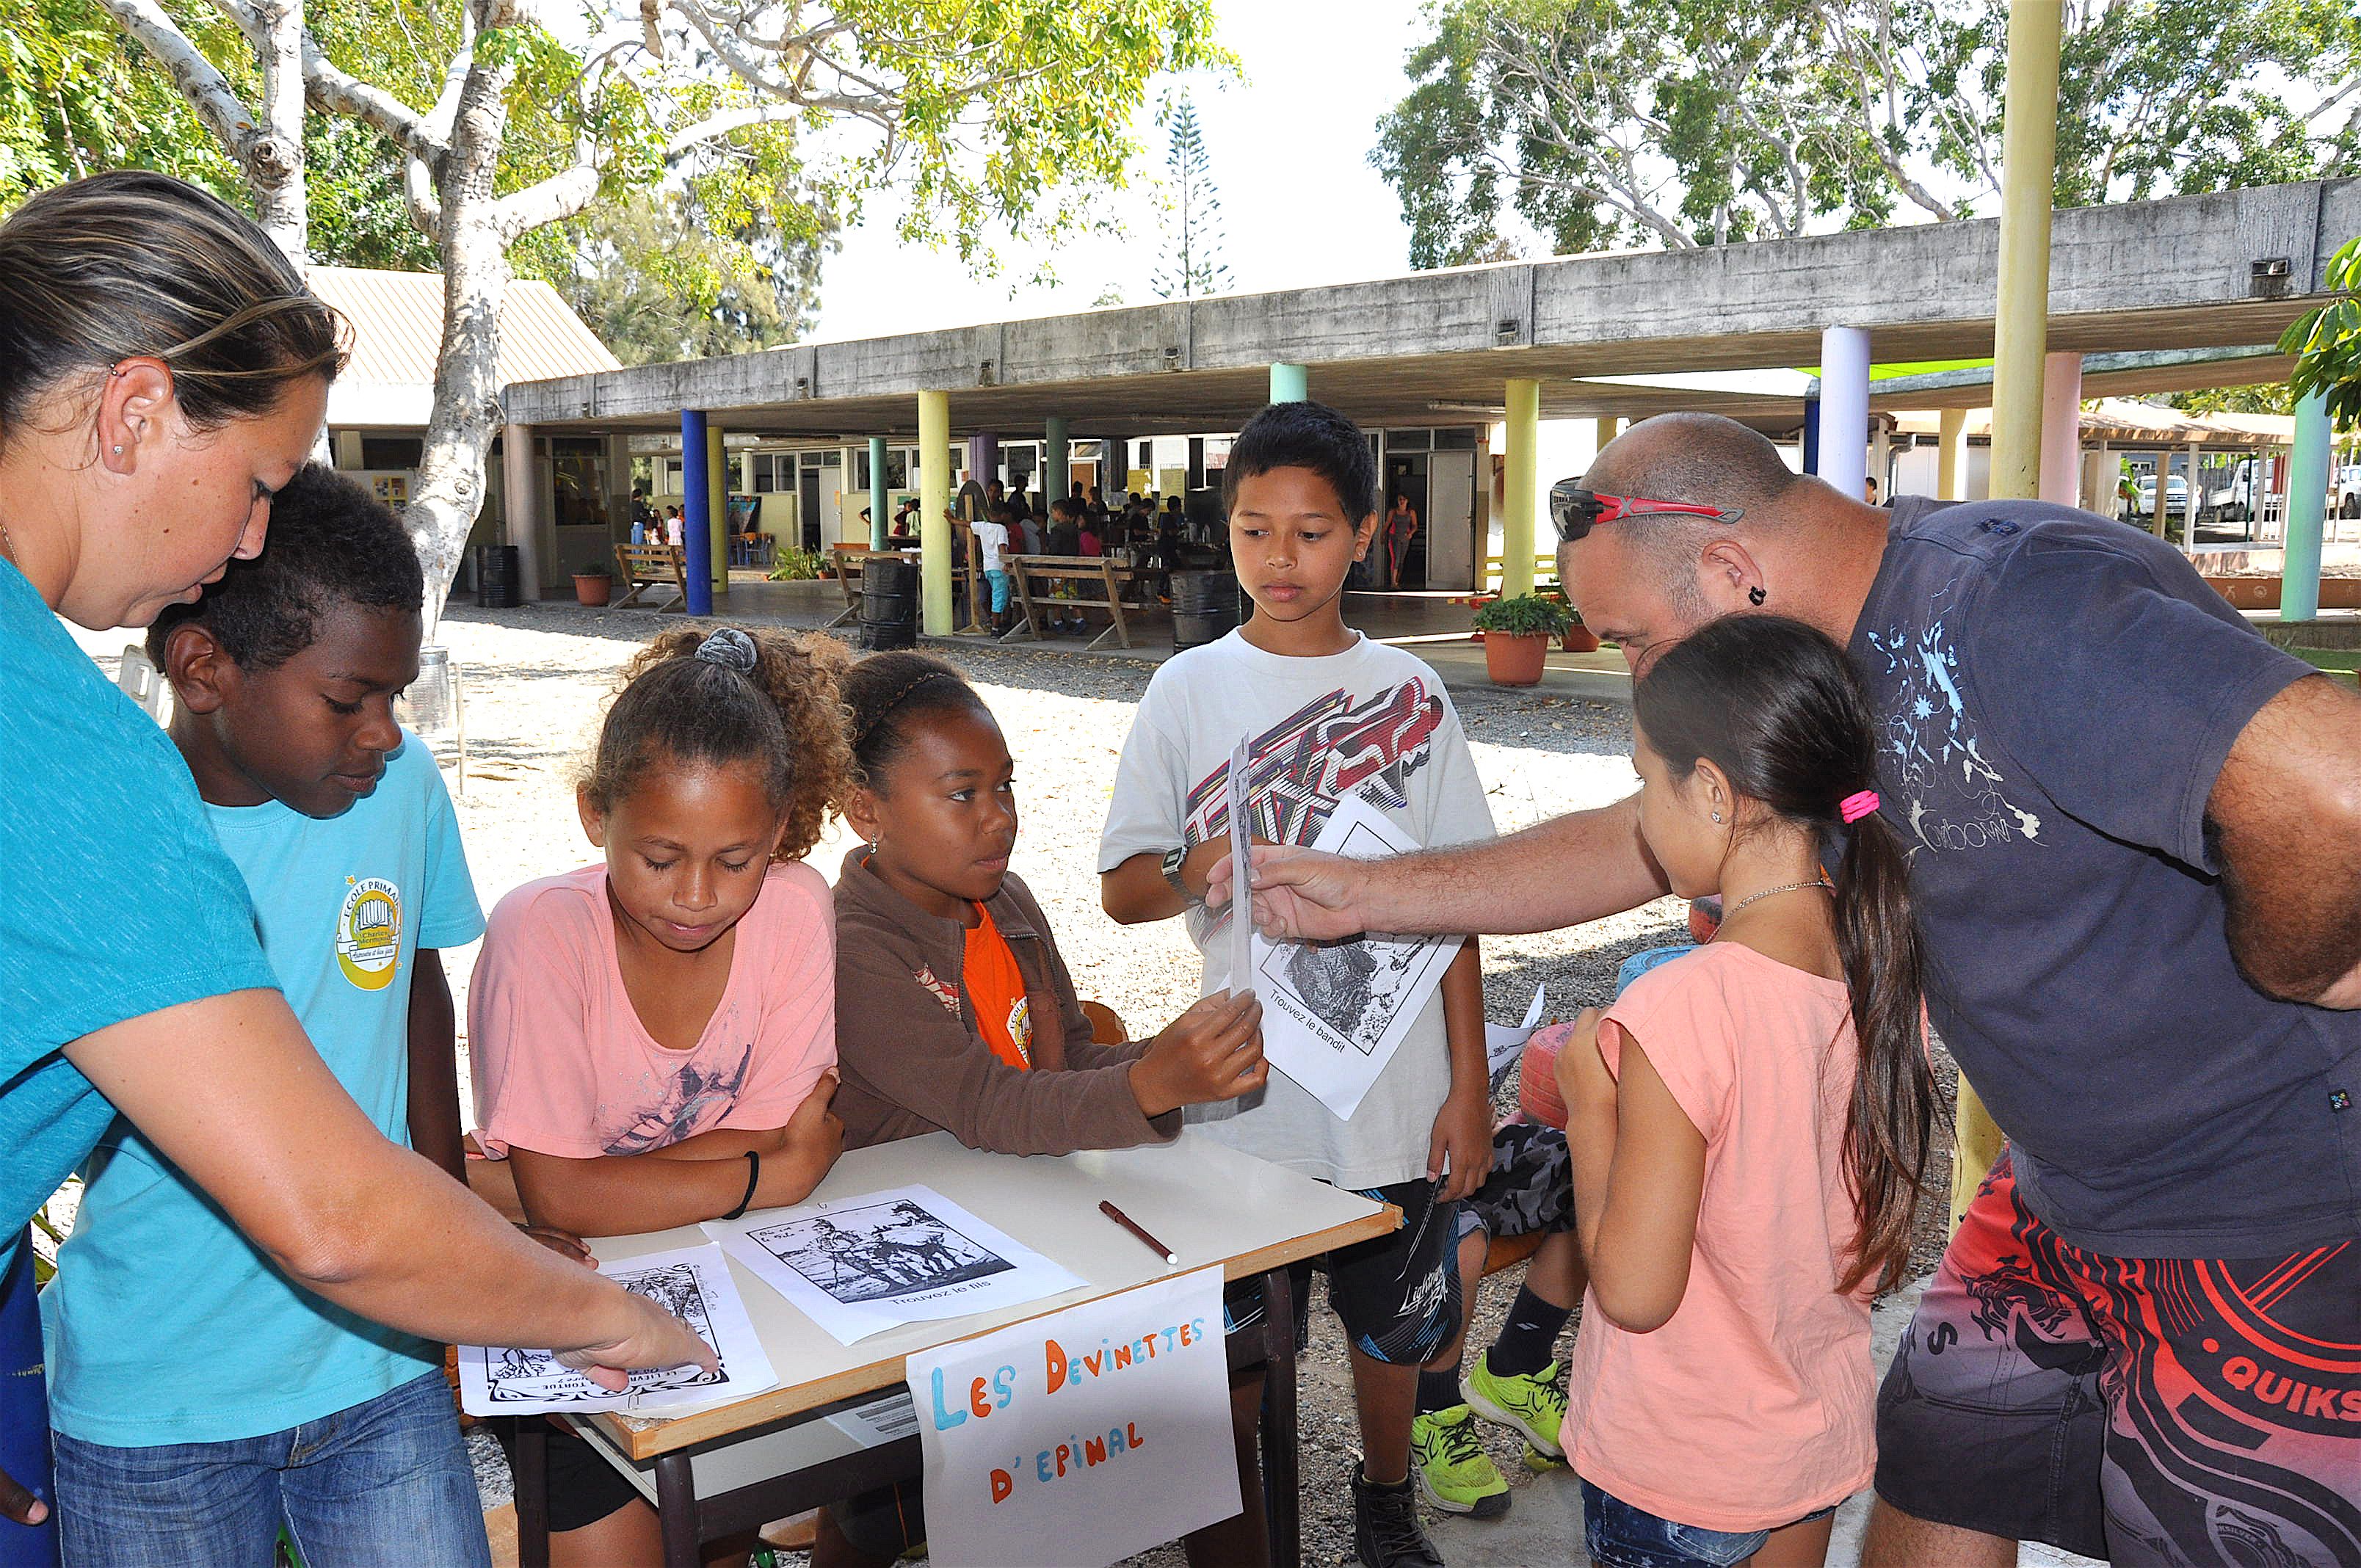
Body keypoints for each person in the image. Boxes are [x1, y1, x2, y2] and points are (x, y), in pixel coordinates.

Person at [1229, 410, 2361, 1567]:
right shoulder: (1818, 685)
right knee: (1936, 1476)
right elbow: (1648, 833)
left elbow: (2336, 785)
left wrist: (2300, 965)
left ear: (1733, 572)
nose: (1639, 679)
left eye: (1635, 642)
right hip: (2060, 1191)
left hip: (2263, 1204)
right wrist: (1369, 894)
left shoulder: (2013, 603)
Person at [0, 170, 707, 1546]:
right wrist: (614, 1321)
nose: (246, 542)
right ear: (133, 412)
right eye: (257, 484)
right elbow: (332, 1215)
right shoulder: (70, 753)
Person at [41, 465, 515, 1565]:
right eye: (349, 701)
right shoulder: (107, 845)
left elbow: (415, 991)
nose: (384, 734)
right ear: (204, 670)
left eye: (397, 696)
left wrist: (454, 1242)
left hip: (380, 1363)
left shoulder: (400, 791)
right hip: (155, 1402)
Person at [1100, 401, 1495, 1568]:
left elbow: (1461, 898)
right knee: (1235, 1344)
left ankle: (1385, 1500)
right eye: (1254, 530)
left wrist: (1470, 1088)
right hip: (1244, 1096)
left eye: (1312, 532)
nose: (1281, 558)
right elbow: (1121, 888)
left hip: (1395, 1095)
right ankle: (1241, 1531)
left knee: (1392, 1330)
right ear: (1225, 531)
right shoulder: (1186, 690)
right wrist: (1194, 866)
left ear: (1366, 534)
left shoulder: (1411, 693)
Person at [816, 651, 1272, 1567]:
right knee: (884, 1506)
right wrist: (1152, 1085)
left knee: (1209, 1435)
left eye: (1006, 787)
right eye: (963, 794)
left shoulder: (1006, 902)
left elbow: (1062, 1058)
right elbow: (989, 1104)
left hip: (1036, 1227)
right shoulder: (852, 944)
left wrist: (1171, 1057)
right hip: (923, 1275)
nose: (1000, 818)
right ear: (866, 810)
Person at [1558, 613, 1932, 1567]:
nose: (1642, 815)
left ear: (1715, 794)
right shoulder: (1880, 967)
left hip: (1680, 1467)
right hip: (1806, 1453)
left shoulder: (1683, 1006)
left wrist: (1590, 1110)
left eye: (1646, 782)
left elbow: (1636, 1291)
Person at [469, 624, 851, 1562]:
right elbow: (570, 1202)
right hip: (574, 1301)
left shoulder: (797, 908)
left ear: (779, 832)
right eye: (660, 858)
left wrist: (558, 1181)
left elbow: (566, 1184)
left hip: (743, 1288)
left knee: (720, 1530)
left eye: (736, 860)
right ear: (594, 815)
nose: (697, 895)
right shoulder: (541, 933)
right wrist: (770, 1176)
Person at [972, 506, 1013, 635]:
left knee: (998, 595)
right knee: (999, 597)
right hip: (999, 567)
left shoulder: (983, 526)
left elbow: (967, 524)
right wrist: (1007, 562)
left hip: (988, 568)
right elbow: (1002, 547)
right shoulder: (1001, 529)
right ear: (1003, 516)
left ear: (988, 515)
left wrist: (952, 519)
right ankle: (995, 628)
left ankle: (997, 623)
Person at [1385, 492, 1420, 587]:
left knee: (1401, 561)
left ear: (1407, 501)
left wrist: (1411, 533)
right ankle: (1393, 582)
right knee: (1395, 559)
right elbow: (1387, 524)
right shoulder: (1393, 512)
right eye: (1400, 499)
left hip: (1405, 538)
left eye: (1404, 499)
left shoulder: (1411, 512)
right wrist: (1382, 535)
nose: (1402, 501)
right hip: (1394, 537)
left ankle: (1397, 581)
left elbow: (1415, 525)